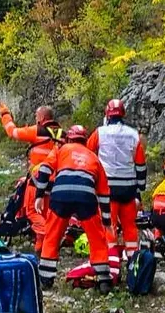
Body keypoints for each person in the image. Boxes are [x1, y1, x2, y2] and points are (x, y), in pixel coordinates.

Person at [33, 125, 112, 292]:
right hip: (86, 197)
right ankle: (104, 280)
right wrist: (106, 220)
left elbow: (45, 169)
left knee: (52, 235)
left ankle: (46, 279)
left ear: (69, 138)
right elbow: (104, 193)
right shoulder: (93, 157)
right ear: (85, 141)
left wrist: (39, 195)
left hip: (61, 195)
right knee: (96, 238)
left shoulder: (61, 149)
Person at [87, 98, 146, 266]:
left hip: (108, 187)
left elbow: (88, 154)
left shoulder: (100, 133)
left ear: (107, 114)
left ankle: (112, 260)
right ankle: (133, 260)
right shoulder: (133, 134)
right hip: (129, 187)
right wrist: (140, 189)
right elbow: (140, 165)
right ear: (123, 114)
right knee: (130, 226)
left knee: (108, 224)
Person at [0, 101, 64, 249]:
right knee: (45, 214)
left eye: (36, 116)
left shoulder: (37, 130)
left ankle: (50, 237)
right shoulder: (63, 134)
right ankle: (41, 249)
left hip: (37, 180)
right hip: (55, 182)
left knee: (33, 212)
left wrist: (5, 115)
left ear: (41, 118)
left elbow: (12, 132)